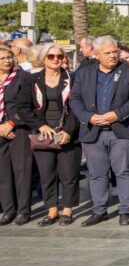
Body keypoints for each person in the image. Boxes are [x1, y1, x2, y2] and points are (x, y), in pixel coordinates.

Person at [70, 36, 129, 227]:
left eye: (115, 52)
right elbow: (74, 99)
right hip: (93, 131)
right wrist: (88, 117)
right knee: (97, 174)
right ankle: (99, 210)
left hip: (121, 130)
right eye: (107, 53)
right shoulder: (84, 73)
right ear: (96, 54)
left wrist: (117, 114)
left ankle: (125, 210)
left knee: (124, 171)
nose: (113, 56)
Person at [23, 43, 79, 227]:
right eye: (51, 56)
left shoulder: (73, 77)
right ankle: (52, 210)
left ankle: (68, 210)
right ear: (43, 58)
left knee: (68, 174)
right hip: (44, 133)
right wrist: (41, 126)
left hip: (67, 132)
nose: (56, 59)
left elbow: (78, 107)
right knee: (47, 174)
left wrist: (69, 131)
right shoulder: (32, 79)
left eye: (59, 56)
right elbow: (24, 108)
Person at [0, 44, 33, 225]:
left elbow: (28, 104)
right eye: (2, 58)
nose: (6, 61)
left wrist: (11, 124)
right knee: (2, 173)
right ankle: (8, 210)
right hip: (0, 131)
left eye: (9, 57)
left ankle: (23, 211)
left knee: (22, 172)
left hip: (19, 129)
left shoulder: (23, 77)